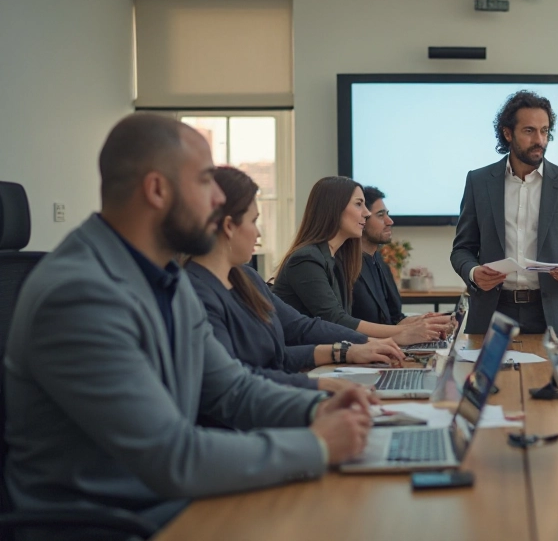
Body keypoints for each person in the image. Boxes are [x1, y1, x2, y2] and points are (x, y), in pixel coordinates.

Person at [4, 114, 374, 536]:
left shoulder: (166, 278)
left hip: (171, 504)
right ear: (157, 190)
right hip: (114, 523)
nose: (218, 198)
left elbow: (232, 388)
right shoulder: (79, 295)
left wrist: (316, 408)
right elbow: (172, 456)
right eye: (204, 181)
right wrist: (319, 443)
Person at [186, 167, 407, 393]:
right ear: (228, 227)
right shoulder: (197, 292)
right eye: (254, 221)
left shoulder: (247, 277)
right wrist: (325, 382)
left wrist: (350, 349)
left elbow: (297, 331)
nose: (259, 233)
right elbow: (238, 383)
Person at [451, 90, 558, 334]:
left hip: (550, 315)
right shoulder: (479, 182)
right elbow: (461, 250)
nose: (539, 140)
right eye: (529, 131)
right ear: (508, 133)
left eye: (544, 131)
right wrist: (474, 273)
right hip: (492, 312)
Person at [272, 176, 449, 345]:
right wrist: (402, 333)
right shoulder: (306, 259)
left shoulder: (333, 257)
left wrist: (415, 327)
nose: (366, 213)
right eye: (358, 204)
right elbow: (336, 320)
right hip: (304, 359)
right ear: (334, 208)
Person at [351, 186, 438, 327]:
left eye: (387, 214)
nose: (389, 221)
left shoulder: (379, 261)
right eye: (380, 215)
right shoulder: (347, 265)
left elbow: (395, 318)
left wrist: (430, 322)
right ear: (362, 219)